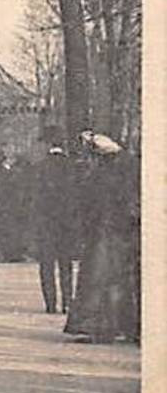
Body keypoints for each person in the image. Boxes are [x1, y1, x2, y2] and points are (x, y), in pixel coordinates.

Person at [64, 133, 140, 344]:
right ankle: (125, 325)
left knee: (99, 278)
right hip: (120, 232)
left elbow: (89, 204)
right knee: (120, 279)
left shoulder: (101, 176)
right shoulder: (128, 170)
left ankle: (99, 326)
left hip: (103, 233)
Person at [34, 126, 78, 314]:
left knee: (46, 264)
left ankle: (50, 303)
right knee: (65, 263)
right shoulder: (71, 166)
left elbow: (34, 198)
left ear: (47, 143)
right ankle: (67, 301)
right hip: (66, 222)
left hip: (45, 222)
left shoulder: (40, 167)